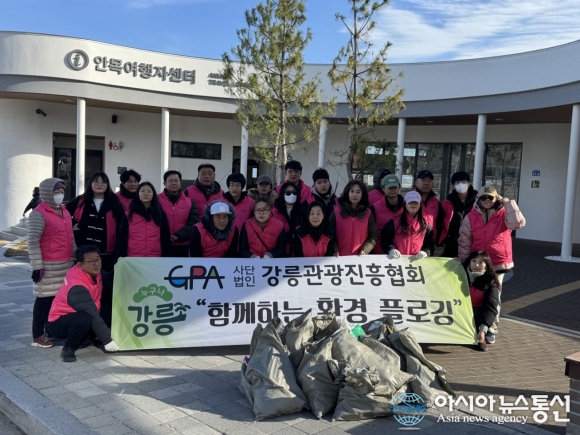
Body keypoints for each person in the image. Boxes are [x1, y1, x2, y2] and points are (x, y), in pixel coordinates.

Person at [47, 245, 120, 362]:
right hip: (58, 323)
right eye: (91, 261)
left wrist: (121, 265)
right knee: (84, 318)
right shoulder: (77, 287)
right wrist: (108, 341)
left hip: (81, 313)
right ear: (80, 264)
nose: (96, 264)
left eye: (98, 259)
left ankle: (86, 337)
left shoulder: (93, 273)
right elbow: (92, 314)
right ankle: (69, 348)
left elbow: (109, 279)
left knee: (112, 310)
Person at [27, 178, 75, 348]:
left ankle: (50, 331)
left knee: (57, 300)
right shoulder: (38, 213)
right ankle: (38, 335)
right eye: (56, 192)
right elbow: (33, 241)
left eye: (62, 191)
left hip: (65, 263)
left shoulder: (64, 211)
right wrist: (37, 266)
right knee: (44, 299)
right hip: (48, 265)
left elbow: (70, 238)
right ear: (47, 193)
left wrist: (76, 256)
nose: (59, 195)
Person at [458, 185, 526, 286]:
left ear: (497, 197)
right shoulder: (471, 216)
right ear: (478, 199)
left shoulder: (504, 213)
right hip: (479, 261)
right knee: (477, 291)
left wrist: (508, 204)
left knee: (495, 292)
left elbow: (517, 224)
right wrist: (465, 261)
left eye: (490, 197)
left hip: (499, 261)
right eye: (483, 197)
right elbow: (464, 240)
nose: (487, 200)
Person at [66, 171, 124, 273]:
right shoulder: (81, 200)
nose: (100, 185)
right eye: (96, 181)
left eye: (103, 182)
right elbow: (63, 214)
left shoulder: (114, 202)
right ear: (90, 183)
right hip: (83, 251)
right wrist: (71, 225)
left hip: (106, 253)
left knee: (105, 280)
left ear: (107, 185)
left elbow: (122, 224)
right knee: (84, 279)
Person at [116, 182, 172, 258]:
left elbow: (166, 239)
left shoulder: (160, 214)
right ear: (137, 194)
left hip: (155, 257)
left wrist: (166, 258)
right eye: (142, 191)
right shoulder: (129, 215)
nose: (146, 194)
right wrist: (120, 257)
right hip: (133, 257)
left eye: (149, 191)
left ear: (153, 194)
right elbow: (122, 238)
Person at [463, 250, 501, 351]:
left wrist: (483, 330)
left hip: (477, 315)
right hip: (459, 312)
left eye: (481, 262)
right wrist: (453, 263)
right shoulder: (459, 273)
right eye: (473, 261)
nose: (476, 265)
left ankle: (482, 335)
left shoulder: (490, 282)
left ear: (486, 265)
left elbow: (490, 307)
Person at [329, 180, 377, 256]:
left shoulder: (368, 213)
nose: (354, 195)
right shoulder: (336, 211)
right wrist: (334, 249)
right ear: (347, 193)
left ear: (362, 194)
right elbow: (328, 234)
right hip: (338, 258)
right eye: (352, 191)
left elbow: (373, 236)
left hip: (360, 258)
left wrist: (365, 249)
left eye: (358, 192)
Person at [381, 191, 435, 258]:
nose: (413, 205)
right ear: (405, 204)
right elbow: (385, 240)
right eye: (410, 202)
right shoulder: (394, 222)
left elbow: (430, 243)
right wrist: (391, 249)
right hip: (397, 260)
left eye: (416, 202)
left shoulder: (426, 225)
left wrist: (426, 251)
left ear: (420, 205)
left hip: (417, 261)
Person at [158, 170, 199, 257]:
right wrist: (165, 236)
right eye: (170, 181)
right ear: (164, 183)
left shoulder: (190, 202)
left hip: (184, 246)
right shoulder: (156, 201)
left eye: (176, 180)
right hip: (161, 245)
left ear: (180, 182)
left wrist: (178, 236)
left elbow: (194, 223)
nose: (174, 183)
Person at [440, 171, 478, 258]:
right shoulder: (447, 203)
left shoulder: (478, 202)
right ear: (453, 185)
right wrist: (443, 240)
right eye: (457, 182)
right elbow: (440, 223)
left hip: (473, 243)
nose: (461, 185)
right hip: (452, 245)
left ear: (469, 183)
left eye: (464, 182)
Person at [370, 174, 404, 254]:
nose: (392, 190)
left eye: (395, 187)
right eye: (389, 188)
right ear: (383, 188)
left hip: (402, 255)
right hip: (380, 255)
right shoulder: (374, 208)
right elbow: (370, 233)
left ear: (399, 187)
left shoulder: (408, 207)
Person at [271, 182, 306, 255]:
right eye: (288, 193)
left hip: (298, 251)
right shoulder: (274, 211)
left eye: (294, 192)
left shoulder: (303, 210)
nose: (291, 195)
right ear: (283, 194)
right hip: (279, 251)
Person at [414, 170, 444, 245]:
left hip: (431, 243)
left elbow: (440, 224)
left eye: (429, 181)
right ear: (416, 182)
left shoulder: (437, 203)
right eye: (423, 180)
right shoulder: (409, 200)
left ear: (432, 184)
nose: (426, 183)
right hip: (413, 242)